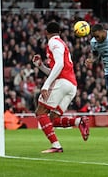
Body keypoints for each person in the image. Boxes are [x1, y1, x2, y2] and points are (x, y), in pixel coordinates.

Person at [32, 21, 89, 153]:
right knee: (52, 119)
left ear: (46, 32)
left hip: (62, 83)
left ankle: (56, 146)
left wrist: (46, 86)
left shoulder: (53, 42)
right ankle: (78, 122)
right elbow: (56, 69)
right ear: (60, 32)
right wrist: (40, 66)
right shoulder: (62, 44)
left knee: (40, 112)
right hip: (71, 85)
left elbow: (59, 65)